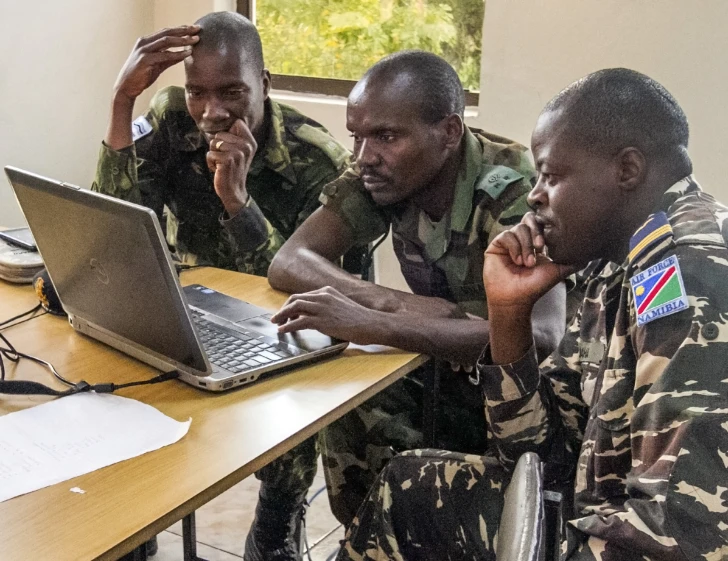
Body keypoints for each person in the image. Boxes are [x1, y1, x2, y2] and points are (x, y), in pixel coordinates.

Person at [337, 68, 728, 561]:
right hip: (595, 511)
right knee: (409, 485)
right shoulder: (616, 263)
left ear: (626, 170)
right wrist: (508, 311)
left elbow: (683, 541)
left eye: (551, 175)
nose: (535, 195)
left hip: (637, 544)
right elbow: (536, 454)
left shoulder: (691, 278)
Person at [267, 51, 567, 528]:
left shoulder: (512, 190)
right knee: (346, 396)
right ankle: (372, 538)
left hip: (527, 404)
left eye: (386, 136)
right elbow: (290, 261)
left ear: (448, 132)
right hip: (447, 370)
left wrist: (380, 324)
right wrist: (391, 302)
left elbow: (543, 338)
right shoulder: (380, 171)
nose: (365, 155)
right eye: (356, 136)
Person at [92, 12, 352, 561]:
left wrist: (239, 202)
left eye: (232, 92)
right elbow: (118, 226)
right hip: (186, 305)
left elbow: (314, 295)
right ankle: (137, 523)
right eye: (196, 92)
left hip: (278, 326)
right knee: (109, 377)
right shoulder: (170, 121)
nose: (212, 112)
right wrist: (121, 102)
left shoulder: (318, 160)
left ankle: (276, 522)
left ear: (265, 84)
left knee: (301, 400)